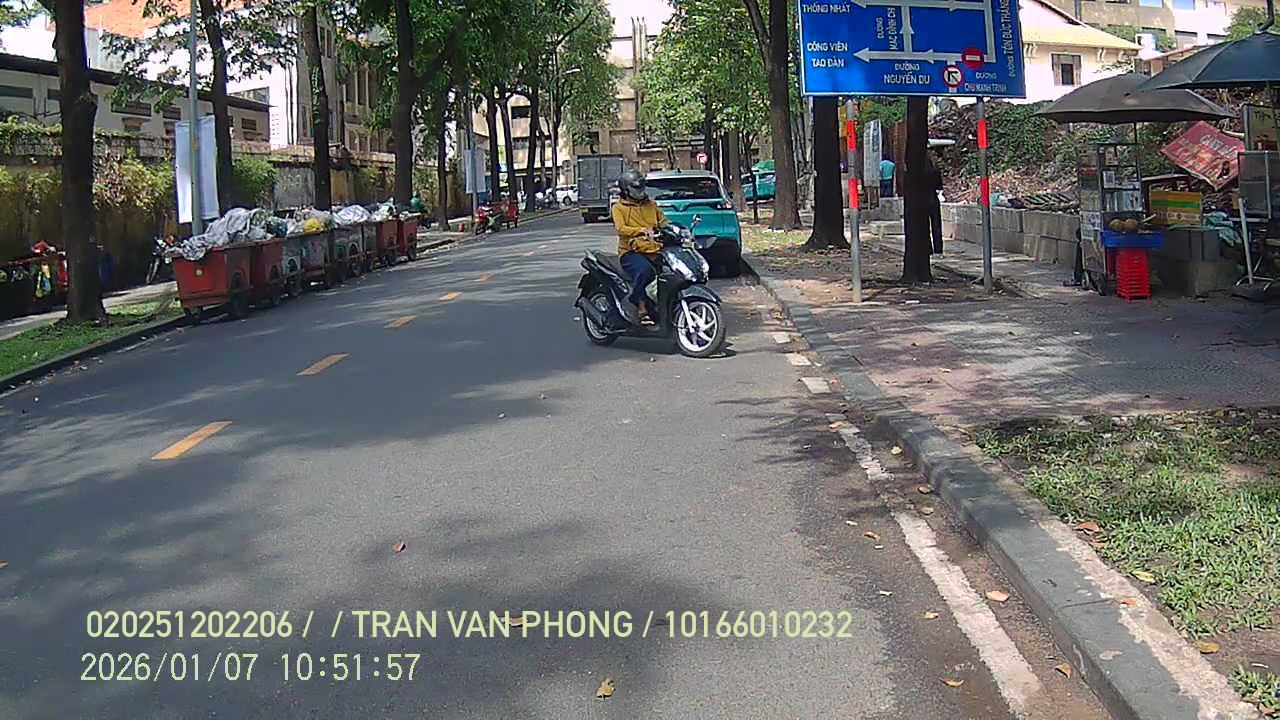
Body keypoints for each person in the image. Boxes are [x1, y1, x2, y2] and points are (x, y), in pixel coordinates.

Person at [611, 169, 667, 324]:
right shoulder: (618, 208)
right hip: (630, 252)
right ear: (626, 190)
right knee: (645, 271)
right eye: (636, 188)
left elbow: (664, 222)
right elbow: (621, 229)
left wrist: (676, 230)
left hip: (654, 248)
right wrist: (641, 230)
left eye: (642, 187)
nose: (641, 191)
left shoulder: (651, 205)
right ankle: (640, 305)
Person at [925, 154, 944, 255]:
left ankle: (928, 248)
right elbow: (939, 187)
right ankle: (938, 248)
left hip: (923, 202)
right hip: (934, 200)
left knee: (925, 226)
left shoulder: (919, 174)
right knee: (936, 225)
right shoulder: (935, 172)